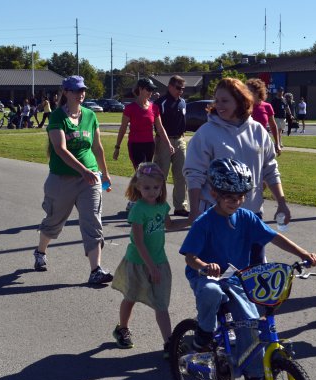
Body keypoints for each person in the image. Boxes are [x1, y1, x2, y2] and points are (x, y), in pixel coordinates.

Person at [180, 158, 316, 380]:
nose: (236, 201)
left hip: (236, 279)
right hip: (208, 277)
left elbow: (274, 237)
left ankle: (254, 379)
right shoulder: (204, 222)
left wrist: (302, 254)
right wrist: (204, 266)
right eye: (229, 197)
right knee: (211, 292)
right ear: (214, 193)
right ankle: (203, 334)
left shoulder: (246, 217)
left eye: (241, 196)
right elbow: (190, 257)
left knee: (250, 322)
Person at [184, 77, 291, 266]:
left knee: (255, 275)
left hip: (252, 215)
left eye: (225, 100)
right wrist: (194, 211)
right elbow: (194, 174)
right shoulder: (207, 133)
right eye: (217, 100)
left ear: (241, 101)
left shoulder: (258, 131)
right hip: (219, 216)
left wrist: (281, 203)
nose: (219, 105)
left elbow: (270, 169)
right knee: (220, 278)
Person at [33, 75, 114, 285]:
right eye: (77, 90)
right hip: (62, 179)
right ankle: (41, 251)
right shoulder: (57, 117)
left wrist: (104, 173)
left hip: (90, 179)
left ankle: (95, 269)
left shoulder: (90, 115)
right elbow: (60, 149)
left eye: (83, 90)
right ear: (66, 92)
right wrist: (82, 170)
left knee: (92, 221)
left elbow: (97, 147)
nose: (81, 94)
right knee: (54, 222)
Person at [110, 162, 188, 354]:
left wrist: (190, 221)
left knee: (161, 304)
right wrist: (150, 267)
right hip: (138, 262)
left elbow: (169, 226)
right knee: (131, 297)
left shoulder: (162, 206)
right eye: (146, 187)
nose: (152, 191)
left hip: (159, 261)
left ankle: (170, 344)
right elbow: (138, 242)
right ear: (137, 186)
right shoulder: (138, 209)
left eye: (156, 187)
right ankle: (122, 328)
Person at [113, 78, 173, 211]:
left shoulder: (154, 107)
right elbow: (123, 128)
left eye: (152, 90)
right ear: (140, 89)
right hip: (135, 145)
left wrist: (168, 144)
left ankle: (134, 199)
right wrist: (117, 147)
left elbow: (160, 127)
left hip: (149, 144)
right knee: (142, 172)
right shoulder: (130, 108)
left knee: (146, 173)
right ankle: (137, 200)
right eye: (148, 89)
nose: (151, 92)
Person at [154, 75, 189, 217]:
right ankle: (157, 205)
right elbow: (156, 125)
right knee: (161, 174)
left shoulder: (183, 103)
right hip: (163, 141)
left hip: (180, 140)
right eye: (178, 88)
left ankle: (180, 206)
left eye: (183, 89)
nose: (180, 91)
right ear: (170, 86)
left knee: (181, 174)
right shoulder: (160, 102)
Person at [246, 78, 281, 155]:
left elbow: (273, 125)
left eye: (250, 91)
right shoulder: (243, 106)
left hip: (262, 142)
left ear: (258, 92)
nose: (247, 93)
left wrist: (277, 143)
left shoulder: (267, 106)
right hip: (246, 142)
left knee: (263, 164)